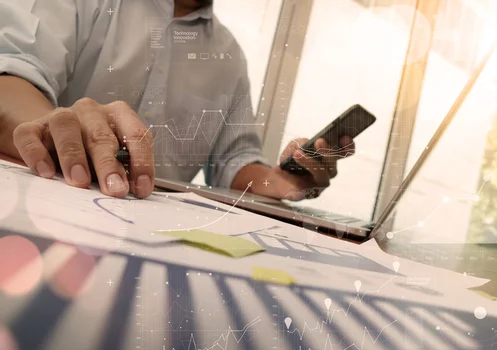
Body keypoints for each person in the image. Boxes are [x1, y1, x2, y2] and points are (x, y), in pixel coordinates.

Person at [0, 0, 355, 200]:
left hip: (154, 234)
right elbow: (11, 74)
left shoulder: (229, 56)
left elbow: (234, 161)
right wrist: (58, 128)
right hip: (49, 201)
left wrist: (278, 182)